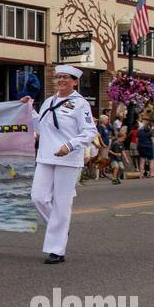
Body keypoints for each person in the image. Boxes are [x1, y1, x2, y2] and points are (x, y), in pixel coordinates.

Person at [19, 65, 98, 264]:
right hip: (46, 156)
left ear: (75, 81)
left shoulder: (80, 104)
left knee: (62, 204)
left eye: (65, 77)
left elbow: (89, 132)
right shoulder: (49, 101)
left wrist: (69, 146)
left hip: (68, 159)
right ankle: (60, 229)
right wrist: (30, 110)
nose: (61, 80)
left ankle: (57, 249)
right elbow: (41, 127)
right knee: (37, 197)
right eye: (58, 77)